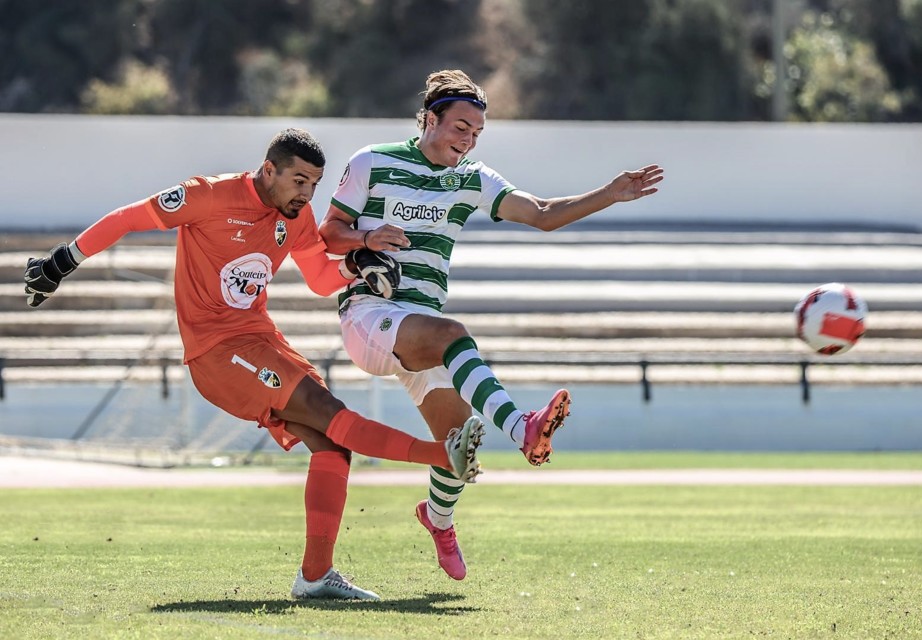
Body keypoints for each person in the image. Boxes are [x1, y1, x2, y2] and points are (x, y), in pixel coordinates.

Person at [22, 128, 484, 602]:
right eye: (298, 181)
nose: (306, 194)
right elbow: (128, 218)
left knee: (330, 445)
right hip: (217, 353)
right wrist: (61, 262)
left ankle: (315, 576)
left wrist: (357, 264)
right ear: (269, 170)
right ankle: (441, 455)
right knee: (328, 413)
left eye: (314, 185)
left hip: (262, 341)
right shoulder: (208, 195)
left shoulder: (296, 218)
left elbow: (321, 279)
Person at [319, 69, 664, 581]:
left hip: (422, 331)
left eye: (476, 133)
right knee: (455, 336)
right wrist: (366, 242)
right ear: (430, 119)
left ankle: (437, 519)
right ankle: (523, 426)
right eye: (460, 127)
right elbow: (330, 234)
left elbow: (543, 214)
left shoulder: (472, 179)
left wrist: (609, 194)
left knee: (458, 443)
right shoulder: (372, 162)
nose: (468, 140)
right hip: (369, 316)